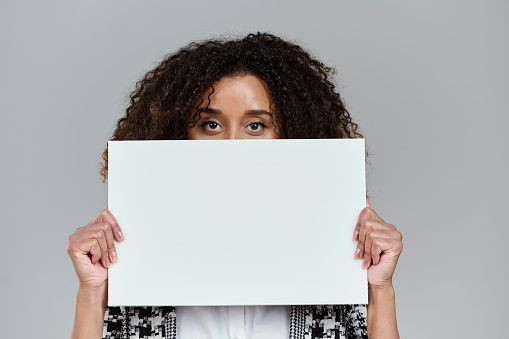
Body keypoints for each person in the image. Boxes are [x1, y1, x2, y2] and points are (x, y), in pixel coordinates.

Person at [67, 32, 403, 339]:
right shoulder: (136, 269)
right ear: (179, 134)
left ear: (291, 134)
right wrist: (92, 293)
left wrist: (380, 290)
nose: (232, 143)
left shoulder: (333, 267)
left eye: (256, 125)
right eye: (211, 124)